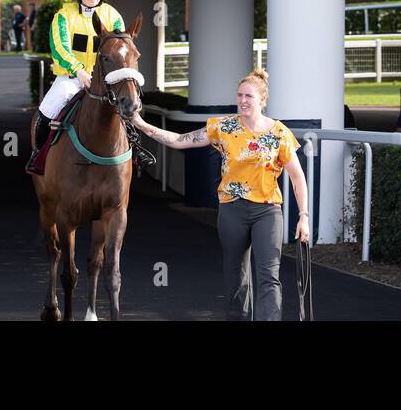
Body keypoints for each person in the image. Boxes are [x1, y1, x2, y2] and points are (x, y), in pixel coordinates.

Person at [132, 68, 310, 321]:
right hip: (232, 211)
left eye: (249, 96)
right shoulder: (223, 127)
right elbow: (180, 140)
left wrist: (303, 216)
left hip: (267, 211)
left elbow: (297, 177)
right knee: (236, 278)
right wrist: (140, 124)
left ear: (262, 100)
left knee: (269, 276)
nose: (243, 100)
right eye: (239, 95)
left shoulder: (279, 133)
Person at [26, 0, 126, 176]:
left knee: (129, 110)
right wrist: (79, 70)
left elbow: (120, 49)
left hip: (105, 80)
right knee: (46, 112)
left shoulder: (114, 16)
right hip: (71, 78)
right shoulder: (64, 16)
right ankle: (39, 156)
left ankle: (134, 156)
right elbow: (60, 48)